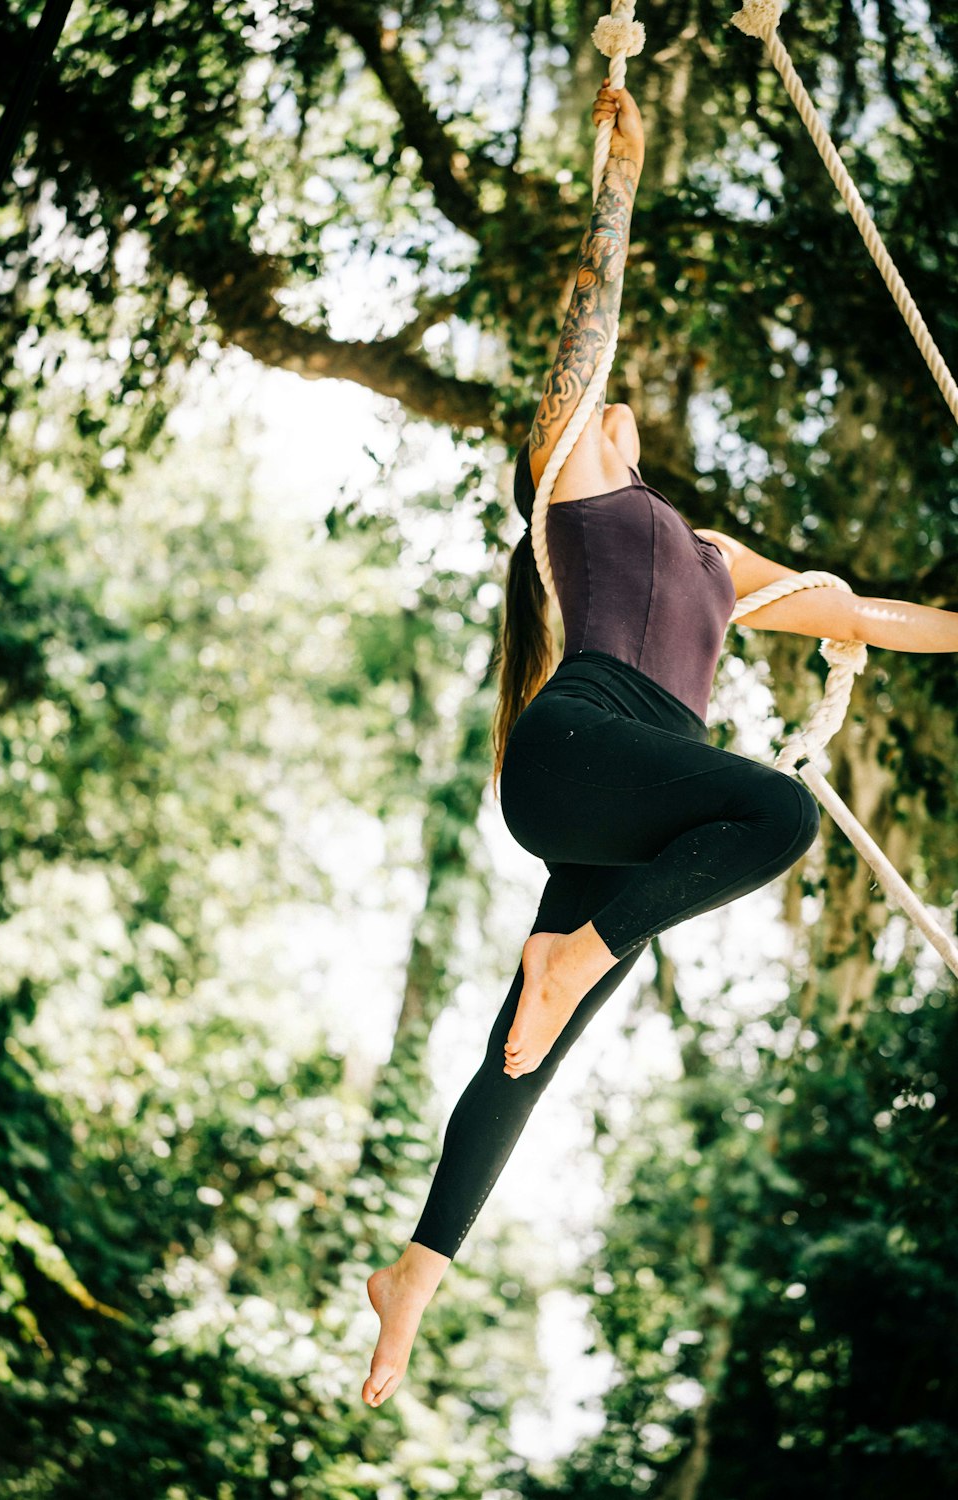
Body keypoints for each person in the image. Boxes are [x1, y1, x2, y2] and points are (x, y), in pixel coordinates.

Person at [361, 82, 958, 1411]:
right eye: (603, 398)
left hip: (624, 810)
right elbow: (593, 316)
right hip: (580, 748)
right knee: (783, 819)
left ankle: (414, 1274)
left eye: (615, 398)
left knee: (529, 1050)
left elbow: (870, 614)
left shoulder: (714, 561)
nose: (614, 398)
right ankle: (575, 951)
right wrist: (616, 175)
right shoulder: (574, 475)